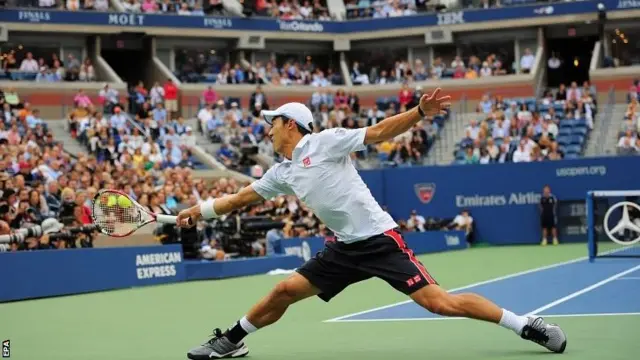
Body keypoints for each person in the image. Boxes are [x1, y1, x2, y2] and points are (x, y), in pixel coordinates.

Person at [176, 89, 567, 359]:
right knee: (283, 291)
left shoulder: (324, 142)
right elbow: (242, 198)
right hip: (344, 249)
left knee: (440, 303)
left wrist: (418, 113)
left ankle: (523, 324)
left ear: (291, 125)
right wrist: (199, 209)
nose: (268, 128)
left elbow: (379, 132)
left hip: (380, 240)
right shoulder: (282, 172)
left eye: (272, 123)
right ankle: (232, 340)